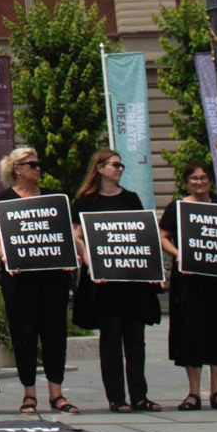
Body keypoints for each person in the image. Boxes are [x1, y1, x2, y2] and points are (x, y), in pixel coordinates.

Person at [0, 146, 79, 415]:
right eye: (31, 165)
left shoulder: (53, 198)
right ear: (17, 169)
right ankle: (29, 393)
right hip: (19, 279)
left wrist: (69, 255)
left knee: (54, 334)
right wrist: (4, 256)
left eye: (38, 165)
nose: (37, 169)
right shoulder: (4, 199)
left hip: (53, 277)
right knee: (24, 334)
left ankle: (56, 393)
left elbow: (66, 232)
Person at [71, 149, 162, 414]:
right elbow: (78, 236)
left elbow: (142, 235)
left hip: (132, 281)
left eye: (121, 166)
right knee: (110, 338)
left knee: (136, 338)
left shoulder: (131, 198)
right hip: (103, 283)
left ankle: (140, 395)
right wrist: (91, 264)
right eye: (114, 165)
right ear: (99, 168)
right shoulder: (86, 201)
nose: (119, 169)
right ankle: (116, 397)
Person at [158, 160, 217, 410]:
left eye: (203, 178)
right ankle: (193, 393)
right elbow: (162, 236)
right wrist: (179, 255)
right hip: (189, 281)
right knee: (191, 334)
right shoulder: (177, 208)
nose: (199, 182)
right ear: (186, 182)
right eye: (194, 178)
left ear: (210, 180)